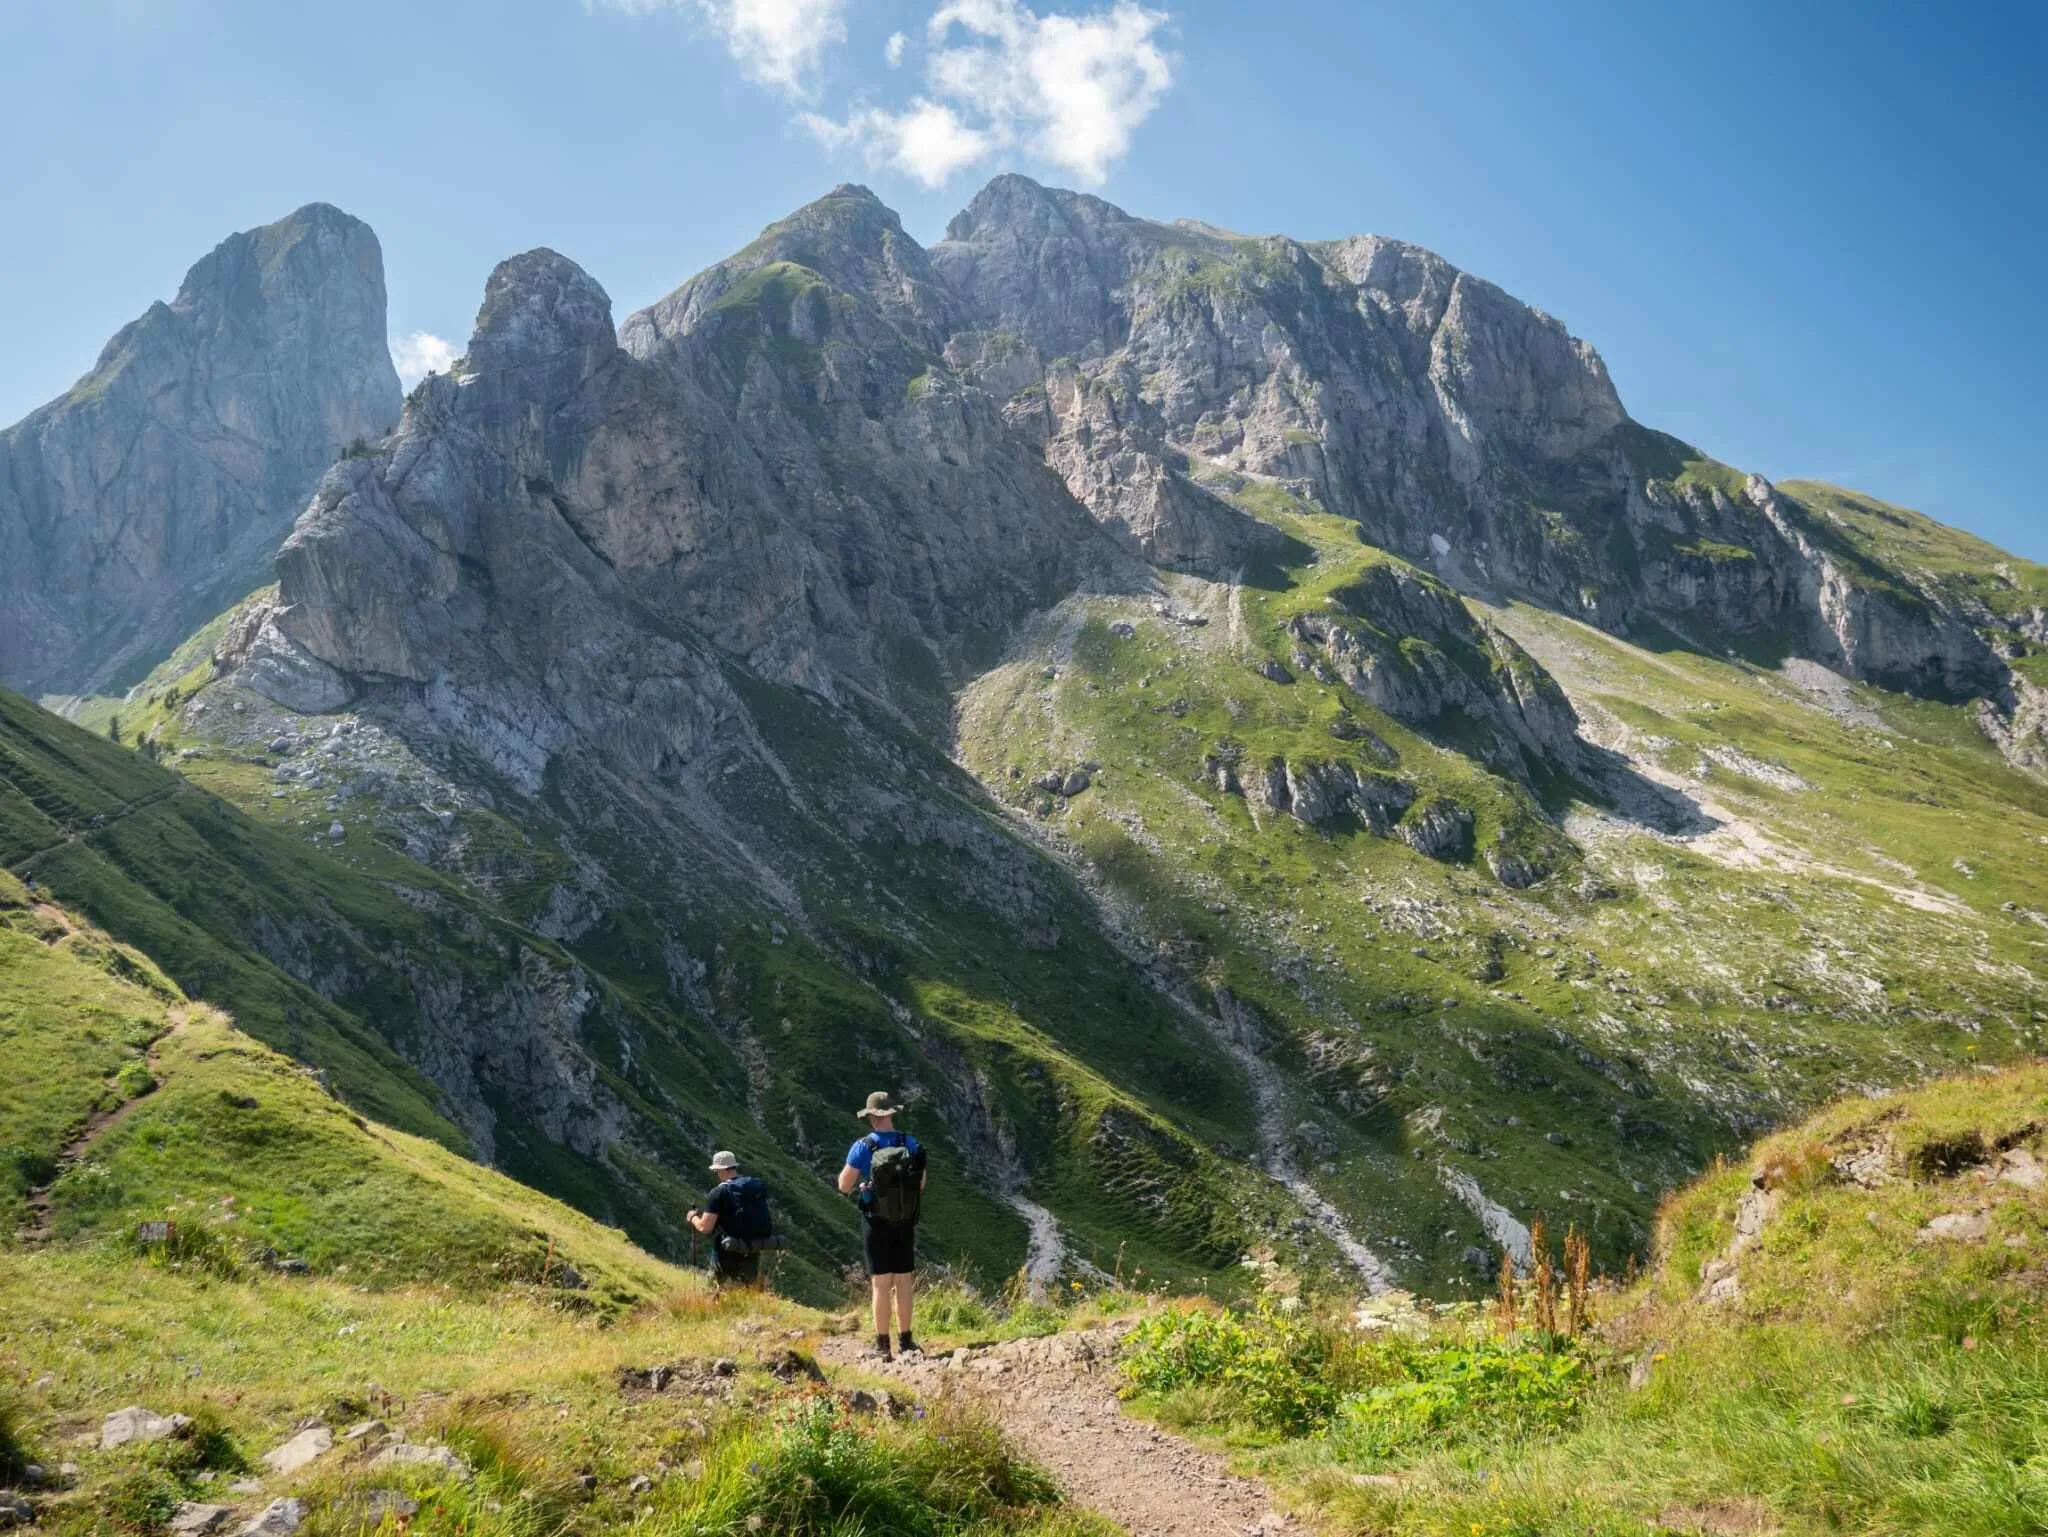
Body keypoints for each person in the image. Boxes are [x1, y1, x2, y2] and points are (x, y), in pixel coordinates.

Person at [838, 1090, 927, 1359]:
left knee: (880, 1283)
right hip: (904, 1219)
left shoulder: (863, 1146)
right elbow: (920, 1184)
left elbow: (844, 1185)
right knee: (903, 1280)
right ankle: (907, 1341)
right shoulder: (910, 1143)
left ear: (872, 1116)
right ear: (891, 1113)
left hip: (875, 1221)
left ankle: (882, 1345)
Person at [688, 1150, 774, 1289]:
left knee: (715, 1289)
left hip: (727, 1249)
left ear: (721, 1170)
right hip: (753, 1247)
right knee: (747, 1289)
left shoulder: (719, 1192)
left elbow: (705, 1227)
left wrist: (693, 1217)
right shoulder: (752, 1187)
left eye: (716, 1171)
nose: (716, 1174)